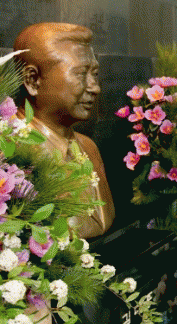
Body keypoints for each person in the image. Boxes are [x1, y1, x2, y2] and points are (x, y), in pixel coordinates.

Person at [13, 22, 115, 239]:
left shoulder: (89, 147)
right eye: (81, 74)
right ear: (32, 80)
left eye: (95, 74)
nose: (95, 87)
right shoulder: (11, 153)